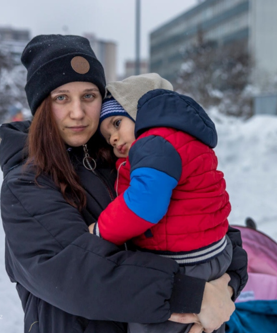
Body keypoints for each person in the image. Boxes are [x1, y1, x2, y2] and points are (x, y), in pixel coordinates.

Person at [0, 34, 248, 333]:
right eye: (61, 98)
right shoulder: (27, 182)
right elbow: (77, 275)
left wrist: (227, 286)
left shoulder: (121, 157)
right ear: (41, 107)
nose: (77, 112)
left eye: (89, 96)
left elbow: (207, 220)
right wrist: (194, 296)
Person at [91, 74, 234, 333]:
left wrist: (101, 231)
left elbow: (143, 205)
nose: (113, 138)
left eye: (116, 123)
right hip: (213, 254)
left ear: (139, 111)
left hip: (184, 264)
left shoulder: (154, 144)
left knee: (149, 322)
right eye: (107, 135)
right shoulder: (184, 139)